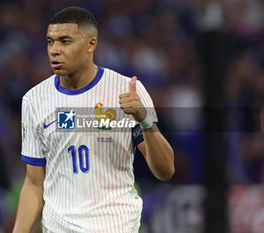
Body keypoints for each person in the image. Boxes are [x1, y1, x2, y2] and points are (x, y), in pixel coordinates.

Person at [12, 7, 174, 233]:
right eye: (50, 42)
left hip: (115, 226)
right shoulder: (34, 100)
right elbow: (33, 183)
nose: (54, 50)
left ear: (91, 44)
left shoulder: (126, 91)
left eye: (65, 41)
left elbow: (165, 170)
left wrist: (144, 119)